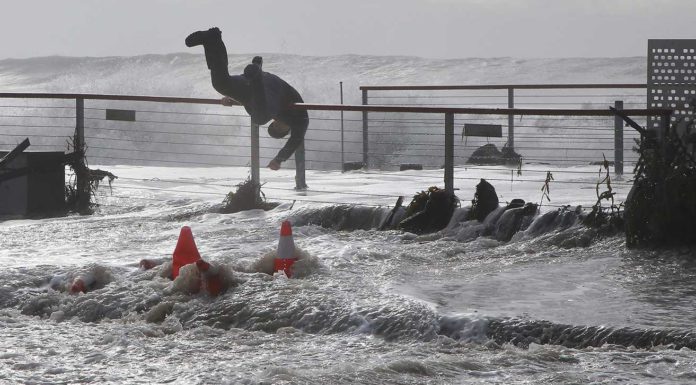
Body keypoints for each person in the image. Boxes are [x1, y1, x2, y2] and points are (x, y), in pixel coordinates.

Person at [185, 27, 308, 180]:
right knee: (260, 118)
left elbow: (252, 102)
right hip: (271, 86)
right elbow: (295, 140)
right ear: (287, 130)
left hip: (251, 80)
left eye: (274, 124)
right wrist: (279, 159)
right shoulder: (300, 119)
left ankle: (212, 40)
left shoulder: (271, 112)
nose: (277, 122)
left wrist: (232, 99)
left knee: (221, 84)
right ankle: (256, 74)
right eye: (279, 126)